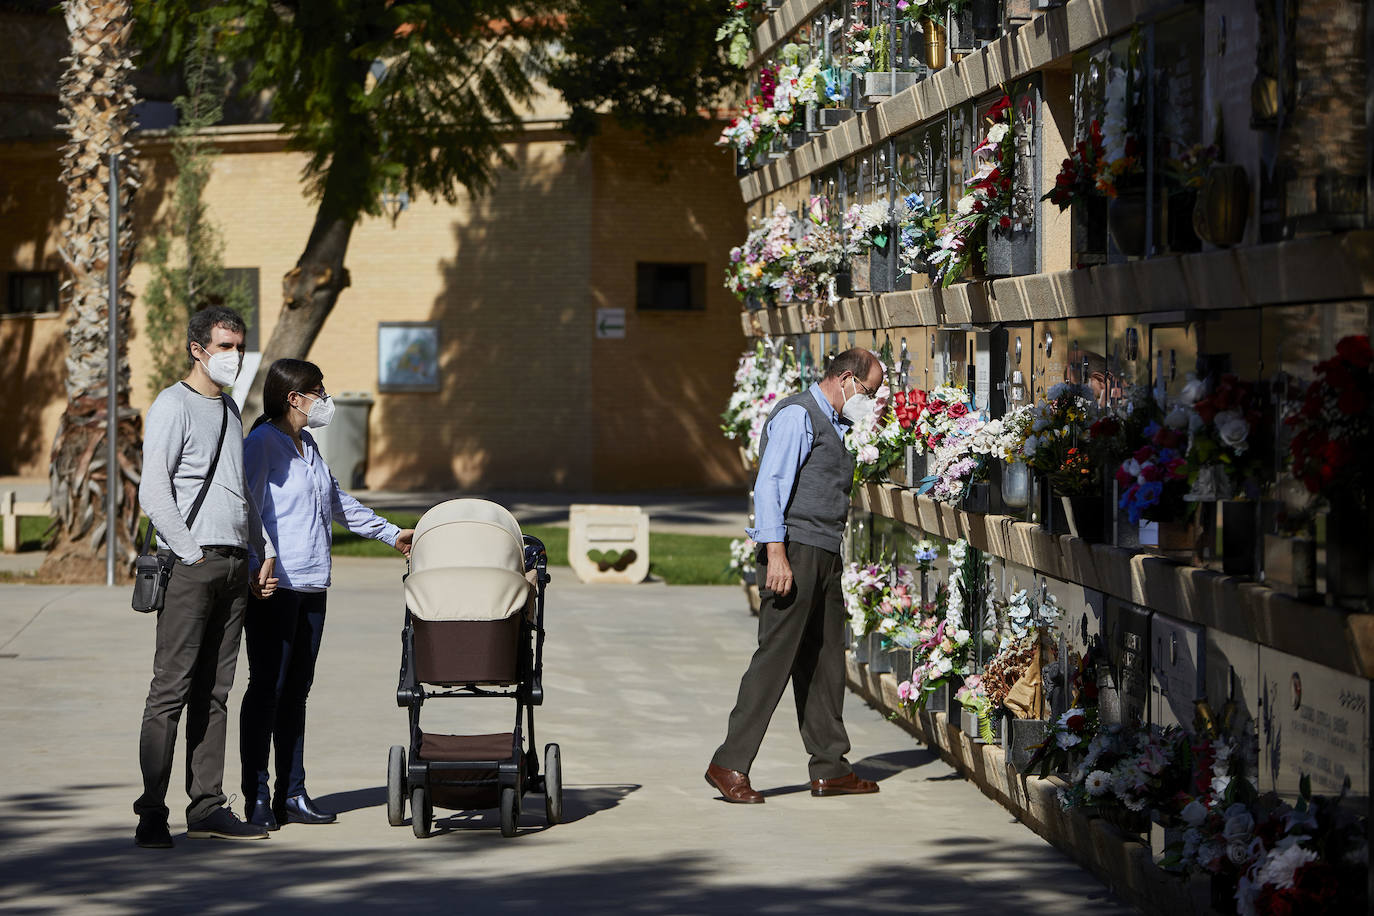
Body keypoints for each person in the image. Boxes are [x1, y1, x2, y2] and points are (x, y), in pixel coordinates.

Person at [239, 358, 415, 830]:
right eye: (318, 390)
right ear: (293, 398)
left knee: (296, 694)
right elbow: (247, 511)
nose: (326, 398)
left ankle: (291, 794)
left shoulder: (309, 445)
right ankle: (256, 796)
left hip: (313, 586)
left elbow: (339, 502)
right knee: (267, 691)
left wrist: (391, 533)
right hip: (276, 587)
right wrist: (258, 565)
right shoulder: (261, 445)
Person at [707, 348, 884, 803]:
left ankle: (831, 767)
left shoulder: (836, 423)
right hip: (794, 551)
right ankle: (729, 764)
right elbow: (770, 485)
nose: (870, 399)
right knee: (775, 660)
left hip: (824, 551)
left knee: (825, 661)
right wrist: (777, 555)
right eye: (868, 390)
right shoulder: (796, 416)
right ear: (845, 378)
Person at [135, 306, 278, 847]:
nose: (234, 356)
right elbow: (155, 491)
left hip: (235, 565)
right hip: (192, 565)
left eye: (238, 346)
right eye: (224, 346)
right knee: (169, 692)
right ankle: (152, 813)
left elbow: (240, 492)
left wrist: (258, 552)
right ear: (197, 349)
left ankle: (208, 806)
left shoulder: (229, 411)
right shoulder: (173, 405)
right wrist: (192, 555)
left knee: (215, 693)